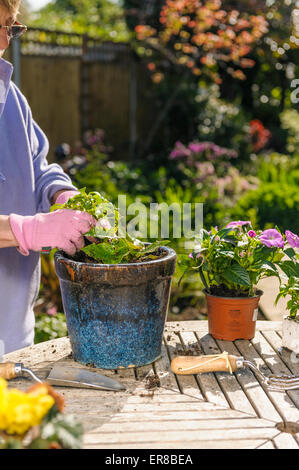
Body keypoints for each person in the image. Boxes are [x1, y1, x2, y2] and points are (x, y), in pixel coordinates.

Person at [0, 0, 96, 354]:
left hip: (13, 332)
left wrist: (60, 193)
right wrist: (29, 230)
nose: (4, 43)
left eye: (10, 27)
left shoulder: (9, 97)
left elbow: (38, 166)